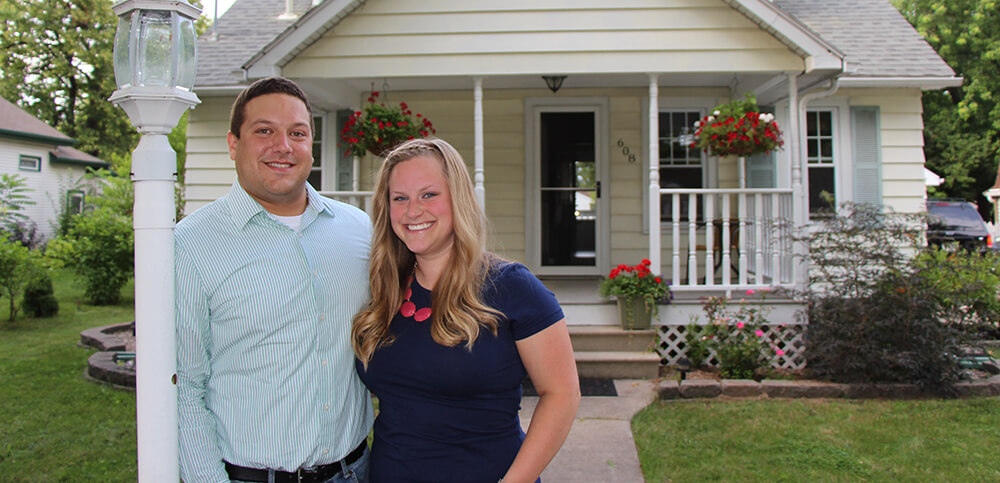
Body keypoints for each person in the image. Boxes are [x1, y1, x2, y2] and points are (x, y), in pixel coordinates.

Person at [175, 76, 373, 483]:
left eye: (297, 133)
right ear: (233, 144)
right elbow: (183, 387)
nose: (283, 146)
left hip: (356, 470)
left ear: (311, 147)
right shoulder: (191, 245)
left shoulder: (359, 230)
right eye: (264, 131)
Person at [352, 138, 581, 483]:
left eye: (429, 194)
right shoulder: (384, 289)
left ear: (457, 198)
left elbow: (562, 394)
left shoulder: (511, 288)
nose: (413, 210)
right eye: (400, 198)